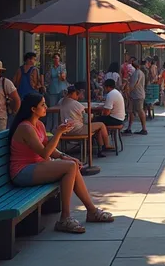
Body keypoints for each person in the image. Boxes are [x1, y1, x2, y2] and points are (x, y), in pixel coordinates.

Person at [9, 92, 114, 233]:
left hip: (37, 167)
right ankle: (65, 218)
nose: (46, 107)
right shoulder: (25, 128)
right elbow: (45, 153)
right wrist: (58, 133)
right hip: (23, 172)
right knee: (70, 167)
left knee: (72, 165)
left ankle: (91, 211)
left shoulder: (38, 124)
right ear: (33, 109)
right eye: (42, 105)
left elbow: (49, 148)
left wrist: (66, 156)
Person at [59, 85, 114, 157]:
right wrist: (92, 116)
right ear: (72, 94)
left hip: (65, 130)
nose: (77, 96)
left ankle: (99, 148)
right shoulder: (76, 104)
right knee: (101, 125)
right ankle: (106, 145)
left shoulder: (61, 102)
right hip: (77, 129)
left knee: (97, 128)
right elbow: (86, 120)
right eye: (76, 94)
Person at [123, 65, 147, 135]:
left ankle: (144, 129)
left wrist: (127, 90)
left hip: (137, 95)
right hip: (134, 95)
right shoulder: (138, 72)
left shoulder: (136, 73)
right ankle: (129, 128)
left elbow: (133, 85)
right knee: (131, 112)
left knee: (140, 110)